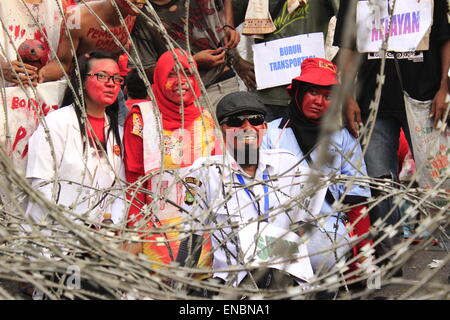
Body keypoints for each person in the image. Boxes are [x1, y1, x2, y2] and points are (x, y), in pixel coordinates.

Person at [176, 91, 328, 296]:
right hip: (234, 280)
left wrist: (294, 236)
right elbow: (191, 237)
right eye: (236, 121)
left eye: (255, 120)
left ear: (264, 127)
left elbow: (312, 203)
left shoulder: (287, 164)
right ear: (222, 129)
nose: (247, 128)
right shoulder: (205, 172)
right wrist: (178, 284)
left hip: (286, 276)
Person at [333, 0, 449, 265]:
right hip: (374, 104)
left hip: (425, 99)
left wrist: (445, 87)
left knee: (441, 179)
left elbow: (444, 38)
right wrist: (348, 96)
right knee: (379, 182)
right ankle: (389, 258)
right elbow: (348, 47)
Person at [23, 50, 130, 298]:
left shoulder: (118, 133)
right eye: (102, 76)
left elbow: (122, 191)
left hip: (101, 249)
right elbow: (40, 189)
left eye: (116, 79)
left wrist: (108, 229)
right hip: (60, 244)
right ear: (82, 80)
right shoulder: (56, 123)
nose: (111, 84)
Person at [261, 57, 372, 279]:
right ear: (298, 93)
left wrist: (362, 254)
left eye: (328, 96)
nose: (319, 101)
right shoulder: (271, 133)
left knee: (322, 257)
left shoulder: (343, 138)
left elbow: (357, 194)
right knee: (270, 263)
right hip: (275, 224)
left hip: (325, 225)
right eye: (312, 92)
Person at [123, 49, 218, 272]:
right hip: (155, 237)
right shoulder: (141, 118)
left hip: (203, 237)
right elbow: (133, 181)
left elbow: (216, 180)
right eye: (172, 75)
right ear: (159, 77)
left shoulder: (206, 119)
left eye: (188, 74)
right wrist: (135, 234)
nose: (181, 82)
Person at [231, 0, 338, 121]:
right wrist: (235, 60)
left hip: (310, 98)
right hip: (267, 98)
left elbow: (354, 26)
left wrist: (331, 71)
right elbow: (221, 26)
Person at [128, 0, 241, 109]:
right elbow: (147, 73)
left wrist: (228, 26)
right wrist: (193, 61)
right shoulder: (140, 15)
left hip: (224, 83)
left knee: (239, 127)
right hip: (183, 96)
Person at [37, 0, 145, 83]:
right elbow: (62, 64)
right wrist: (38, 76)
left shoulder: (135, 14)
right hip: (81, 89)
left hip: (113, 87)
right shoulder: (77, 18)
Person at [0, 0, 71, 87]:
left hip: (54, 92)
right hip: (9, 93)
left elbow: (70, 58)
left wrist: (42, 75)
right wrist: (2, 67)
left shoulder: (64, 4)